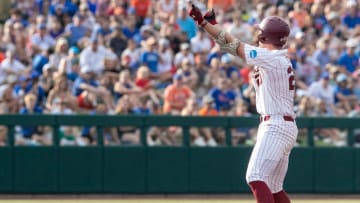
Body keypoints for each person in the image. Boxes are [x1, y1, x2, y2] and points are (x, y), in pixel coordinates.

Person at [189, 5, 298, 203]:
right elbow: (231, 46)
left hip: (275, 124)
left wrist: (204, 24)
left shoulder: (271, 58)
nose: (257, 34)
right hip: (284, 124)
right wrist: (213, 26)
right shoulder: (275, 57)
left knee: (255, 176)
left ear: (265, 37)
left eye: (260, 32)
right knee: (274, 188)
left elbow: (236, 46)